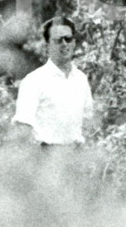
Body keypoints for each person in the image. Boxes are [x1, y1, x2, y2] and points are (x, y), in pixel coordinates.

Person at [12, 16, 94, 147]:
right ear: (47, 45)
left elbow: (88, 122)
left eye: (68, 39)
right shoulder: (34, 81)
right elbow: (23, 126)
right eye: (57, 40)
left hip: (76, 157)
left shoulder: (81, 79)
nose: (64, 44)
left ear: (74, 42)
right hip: (45, 158)